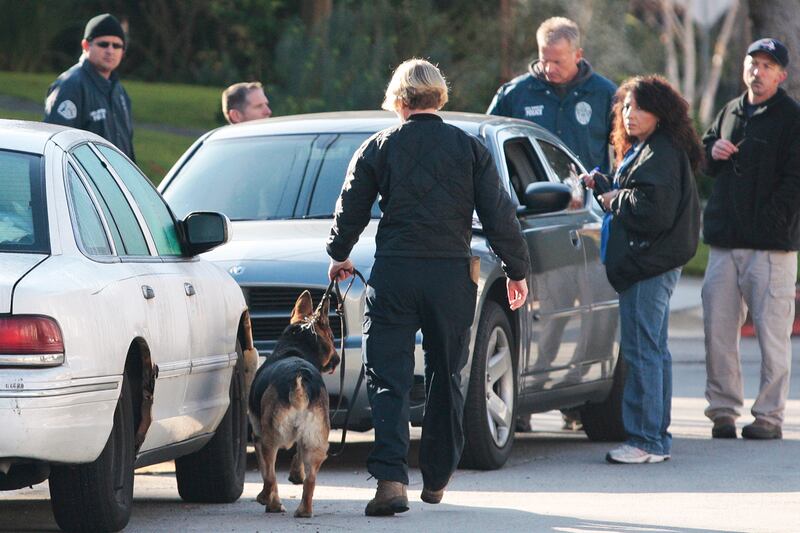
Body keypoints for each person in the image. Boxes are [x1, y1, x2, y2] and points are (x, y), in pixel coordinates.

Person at [326, 59, 530, 515]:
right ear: (439, 96)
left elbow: (351, 207)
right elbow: (499, 214)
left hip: (395, 273)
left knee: (388, 377)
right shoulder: (469, 147)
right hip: (450, 275)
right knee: (446, 374)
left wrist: (338, 252)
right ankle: (437, 476)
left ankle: (390, 481)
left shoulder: (379, 146)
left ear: (399, 100)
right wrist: (516, 271)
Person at [583, 75, 701, 464]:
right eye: (626, 107)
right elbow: (640, 195)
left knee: (642, 352)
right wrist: (605, 186)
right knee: (653, 350)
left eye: (639, 108)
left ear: (660, 113)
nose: (629, 115)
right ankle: (655, 438)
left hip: (648, 265)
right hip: (649, 263)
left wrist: (616, 199)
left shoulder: (661, 152)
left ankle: (646, 440)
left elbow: (653, 210)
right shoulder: (650, 148)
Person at [701, 38, 800, 441]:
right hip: (725, 244)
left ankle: (769, 417)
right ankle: (723, 412)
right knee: (718, 333)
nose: (757, 72)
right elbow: (704, 155)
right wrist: (713, 150)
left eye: (767, 66)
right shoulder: (731, 110)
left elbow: (795, 181)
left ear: (781, 75)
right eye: (752, 63)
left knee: (772, 337)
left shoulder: (792, 118)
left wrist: (773, 220)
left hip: (771, 248)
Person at [487, 16, 616, 174]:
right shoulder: (514, 94)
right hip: (528, 189)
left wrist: (610, 182)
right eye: (544, 61)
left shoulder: (605, 93)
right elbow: (486, 144)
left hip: (588, 189)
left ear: (578, 55)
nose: (549, 69)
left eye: (557, 62)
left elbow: (627, 147)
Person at [44, 13, 134, 160]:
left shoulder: (119, 91)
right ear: (86, 45)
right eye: (103, 44)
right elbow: (55, 147)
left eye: (117, 45)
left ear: (123, 51)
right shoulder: (70, 86)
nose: (110, 50)